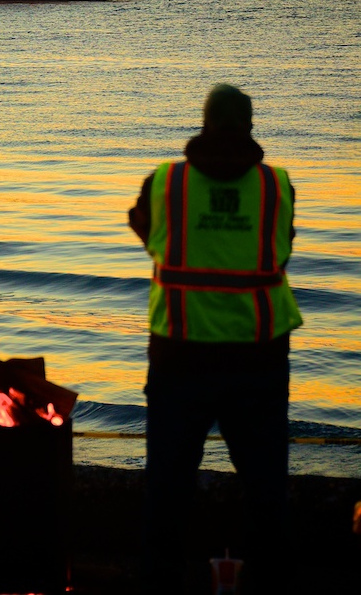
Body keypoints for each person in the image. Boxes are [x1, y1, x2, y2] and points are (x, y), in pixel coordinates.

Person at [129, 84, 303, 595]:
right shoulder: (276, 186)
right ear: (249, 126)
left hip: (179, 357)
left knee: (167, 488)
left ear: (203, 123)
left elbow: (147, 234)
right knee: (267, 491)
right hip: (259, 359)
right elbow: (282, 250)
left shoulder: (165, 183)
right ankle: (269, 586)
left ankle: (161, 586)